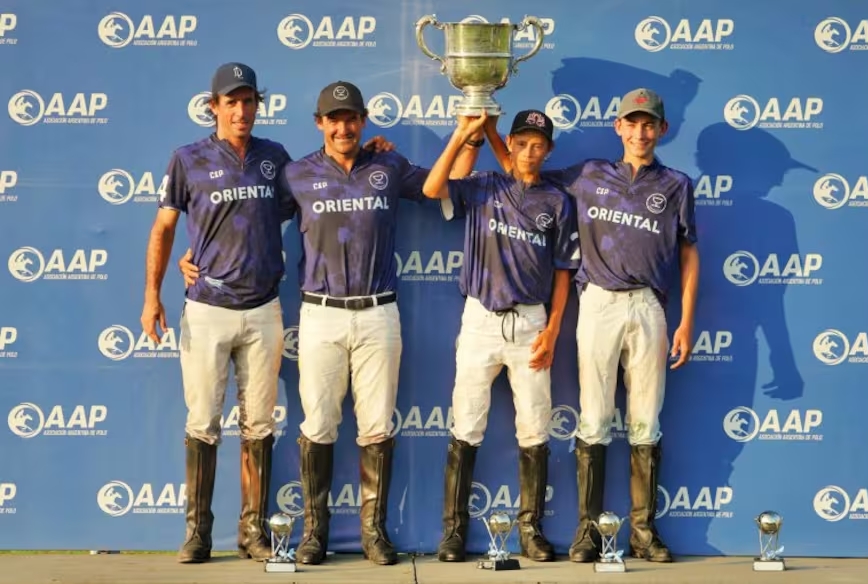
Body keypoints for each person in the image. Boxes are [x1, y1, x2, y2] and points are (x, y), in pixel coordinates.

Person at [179, 80, 479, 566]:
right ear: (319, 124)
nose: (344, 127)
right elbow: (245, 214)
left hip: (379, 313)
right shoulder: (294, 173)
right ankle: (314, 533)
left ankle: (374, 533)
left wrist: (472, 137)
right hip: (319, 315)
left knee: (377, 427)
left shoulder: (388, 164)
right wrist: (195, 254)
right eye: (334, 119)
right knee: (318, 425)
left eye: (352, 118)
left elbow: (440, 186)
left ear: (363, 122)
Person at [486, 88, 700, 563]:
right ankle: (589, 532)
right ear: (618, 127)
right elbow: (519, 169)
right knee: (594, 418)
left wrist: (685, 320)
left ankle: (643, 532)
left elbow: (688, 251)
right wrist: (483, 129)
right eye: (632, 123)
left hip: (649, 307)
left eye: (650, 125)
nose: (641, 132)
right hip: (598, 304)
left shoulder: (677, 185)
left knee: (646, 420)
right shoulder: (587, 175)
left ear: (662, 130)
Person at [140, 62, 290, 564]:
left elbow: (319, 193)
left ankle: (252, 531)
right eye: (232, 102)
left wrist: (368, 152)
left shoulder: (275, 157)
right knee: (203, 421)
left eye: (249, 101)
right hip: (207, 309)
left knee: (259, 425)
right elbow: (163, 229)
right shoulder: (188, 159)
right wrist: (152, 296)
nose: (242, 110)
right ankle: (198, 533)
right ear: (215, 107)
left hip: (264, 308)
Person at [422, 110, 581, 563]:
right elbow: (434, 188)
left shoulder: (557, 201)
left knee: (534, 428)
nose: (531, 152)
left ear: (548, 150)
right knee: (466, 424)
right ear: (510, 143)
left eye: (539, 145)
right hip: (480, 320)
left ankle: (531, 531)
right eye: (523, 142)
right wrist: (464, 133)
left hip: (531, 323)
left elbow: (564, 273)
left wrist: (552, 330)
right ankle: (453, 532)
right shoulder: (485, 184)